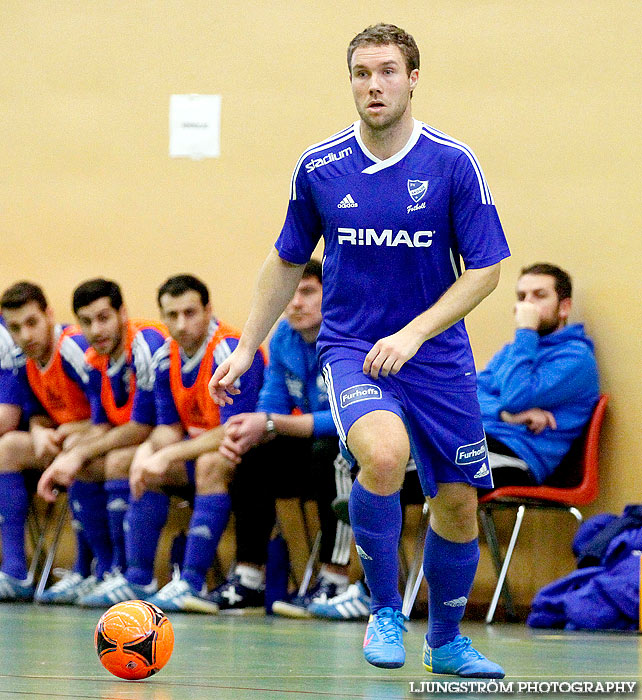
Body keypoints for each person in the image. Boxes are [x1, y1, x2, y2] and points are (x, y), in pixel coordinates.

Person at [209, 24, 509, 678]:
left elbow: (485, 271)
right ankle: (382, 608)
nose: (373, 85)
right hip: (354, 350)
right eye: (361, 73)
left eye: (387, 72)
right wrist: (244, 348)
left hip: (434, 358)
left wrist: (415, 333)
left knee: (458, 501)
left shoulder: (452, 163)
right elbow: (286, 259)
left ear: (412, 78)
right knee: (381, 452)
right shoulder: (320, 166)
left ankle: (448, 642)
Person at [80, 274, 265, 611]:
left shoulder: (230, 350)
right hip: (200, 449)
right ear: (162, 316)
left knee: (209, 464)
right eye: (171, 315)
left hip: (252, 452)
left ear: (208, 310)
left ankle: (191, 582)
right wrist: (148, 452)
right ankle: (135, 577)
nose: (181, 324)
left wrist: (167, 455)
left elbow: (232, 431)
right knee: (127, 461)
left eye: (190, 313)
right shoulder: (166, 355)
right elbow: (167, 427)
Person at [220, 259, 353, 617]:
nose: (295, 303)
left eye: (307, 292)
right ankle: (249, 577)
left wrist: (269, 422)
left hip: (360, 448)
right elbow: (272, 404)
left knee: (331, 453)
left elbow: (347, 418)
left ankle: (335, 580)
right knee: (253, 455)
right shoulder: (283, 337)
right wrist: (248, 432)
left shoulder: (349, 335)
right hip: (312, 448)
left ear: (332, 292)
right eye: (290, 294)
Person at [35, 278, 167, 603]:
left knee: (113, 460)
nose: (96, 330)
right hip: (143, 437)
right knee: (78, 453)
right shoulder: (96, 359)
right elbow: (102, 425)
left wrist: (77, 455)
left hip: (169, 435)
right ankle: (98, 569)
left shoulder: (146, 346)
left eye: (104, 317)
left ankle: (130, 574)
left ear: (123, 313)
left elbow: (141, 427)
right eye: (86, 321)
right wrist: (72, 453)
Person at [0, 282, 106, 602]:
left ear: (49, 315)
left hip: (102, 439)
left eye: (32, 323)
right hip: (65, 439)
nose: (25, 335)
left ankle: (86, 569)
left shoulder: (73, 348)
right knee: (7, 449)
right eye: (15, 328)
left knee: (74, 448)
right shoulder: (26, 359)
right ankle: (16, 570)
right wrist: (37, 432)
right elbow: (38, 414)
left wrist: (73, 431)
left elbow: (112, 415)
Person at [478, 263, 599, 487]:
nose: (528, 304)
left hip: (520, 456)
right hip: (483, 442)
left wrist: (526, 331)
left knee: (435, 477)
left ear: (564, 307)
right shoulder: (514, 351)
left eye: (539, 296)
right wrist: (503, 415)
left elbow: (515, 398)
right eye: (522, 296)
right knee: (401, 460)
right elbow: (468, 394)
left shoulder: (576, 358)